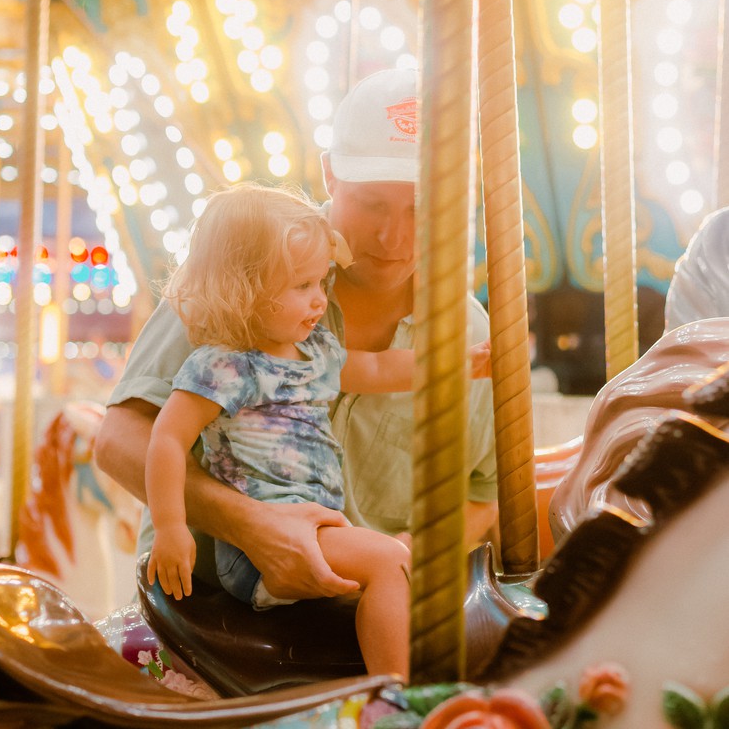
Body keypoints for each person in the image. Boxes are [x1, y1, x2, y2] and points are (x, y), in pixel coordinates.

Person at [94, 67, 498, 604]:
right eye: (372, 203)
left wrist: (406, 553)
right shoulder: (240, 273)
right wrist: (249, 525)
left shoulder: (468, 331)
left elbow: (484, 492)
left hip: (360, 611)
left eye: (421, 209)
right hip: (208, 605)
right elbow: (120, 440)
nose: (393, 237)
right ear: (330, 175)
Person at [145, 183, 424, 677]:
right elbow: (166, 439)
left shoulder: (313, 352)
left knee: (403, 558)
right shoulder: (224, 366)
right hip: (256, 552)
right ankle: (396, 700)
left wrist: (454, 363)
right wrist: (170, 527)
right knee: (390, 560)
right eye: (302, 287)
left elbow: (378, 371)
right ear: (244, 288)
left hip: (314, 525)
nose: (319, 301)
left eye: (321, 283)